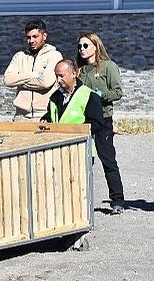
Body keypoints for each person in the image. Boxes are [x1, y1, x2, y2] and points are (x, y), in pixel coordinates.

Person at [40, 59, 124, 214]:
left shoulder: (88, 95)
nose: (58, 80)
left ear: (73, 74)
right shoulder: (55, 96)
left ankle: (104, 204)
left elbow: (97, 123)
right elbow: (53, 115)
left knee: (82, 179)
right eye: (56, 76)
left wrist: (76, 130)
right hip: (59, 145)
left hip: (81, 146)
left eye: (62, 76)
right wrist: (45, 119)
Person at [76, 32, 125, 215]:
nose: (81, 49)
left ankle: (117, 200)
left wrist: (98, 96)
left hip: (103, 120)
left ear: (96, 46)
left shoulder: (108, 67)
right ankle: (82, 202)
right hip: (83, 121)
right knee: (84, 161)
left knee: (108, 159)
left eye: (86, 45)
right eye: (79, 46)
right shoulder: (79, 70)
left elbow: (118, 92)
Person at [4, 19, 63, 121]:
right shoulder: (20, 56)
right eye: (28, 37)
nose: (31, 41)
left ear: (44, 36)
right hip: (21, 116)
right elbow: (8, 80)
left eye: (35, 36)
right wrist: (33, 74)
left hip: (44, 115)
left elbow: (45, 82)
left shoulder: (54, 55)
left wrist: (19, 81)